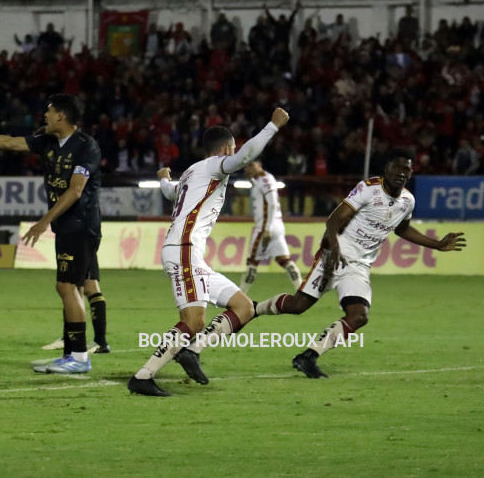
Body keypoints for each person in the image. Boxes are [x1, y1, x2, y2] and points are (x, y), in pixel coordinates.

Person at [253, 148, 466, 378]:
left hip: (359, 266)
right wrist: (333, 249)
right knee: (297, 306)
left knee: (359, 316)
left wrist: (437, 244)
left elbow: (402, 229)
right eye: (397, 167)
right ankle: (254, 308)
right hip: (336, 255)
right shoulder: (369, 188)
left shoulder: (407, 201)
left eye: (407, 169)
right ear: (387, 169)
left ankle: (308, 357)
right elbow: (334, 220)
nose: (402, 173)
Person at [127, 108, 290, 397]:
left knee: (244, 307)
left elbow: (170, 193)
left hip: (190, 254)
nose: (234, 156)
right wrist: (273, 126)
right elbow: (245, 156)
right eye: (232, 150)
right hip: (184, 250)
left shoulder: (192, 172)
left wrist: (164, 178)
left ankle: (192, 351)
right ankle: (143, 376)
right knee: (194, 321)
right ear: (226, 149)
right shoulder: (214, 166)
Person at [0, 94, 108, 374]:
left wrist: (43, 221)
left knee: (68, 287)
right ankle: (70, 354)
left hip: (81, 225)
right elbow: (8, 142)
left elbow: (76, 189)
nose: (45, 115)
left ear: (61, 116)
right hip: (67, 226)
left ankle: (79, 358)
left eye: (49, 111)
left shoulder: (86, 146)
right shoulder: (48, 141)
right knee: (70, 287)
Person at [239, 160, 302, 294]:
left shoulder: (264, 180)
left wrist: (267, 229)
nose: (247, 169)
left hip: (265, 226)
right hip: (277, 225)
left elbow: (272, 203)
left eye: (251, 165)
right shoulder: (264, 179)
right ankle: (302, 291)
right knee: (285, 261)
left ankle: (241, 295)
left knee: (252, 263)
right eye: (246, 166)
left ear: (259, 164)